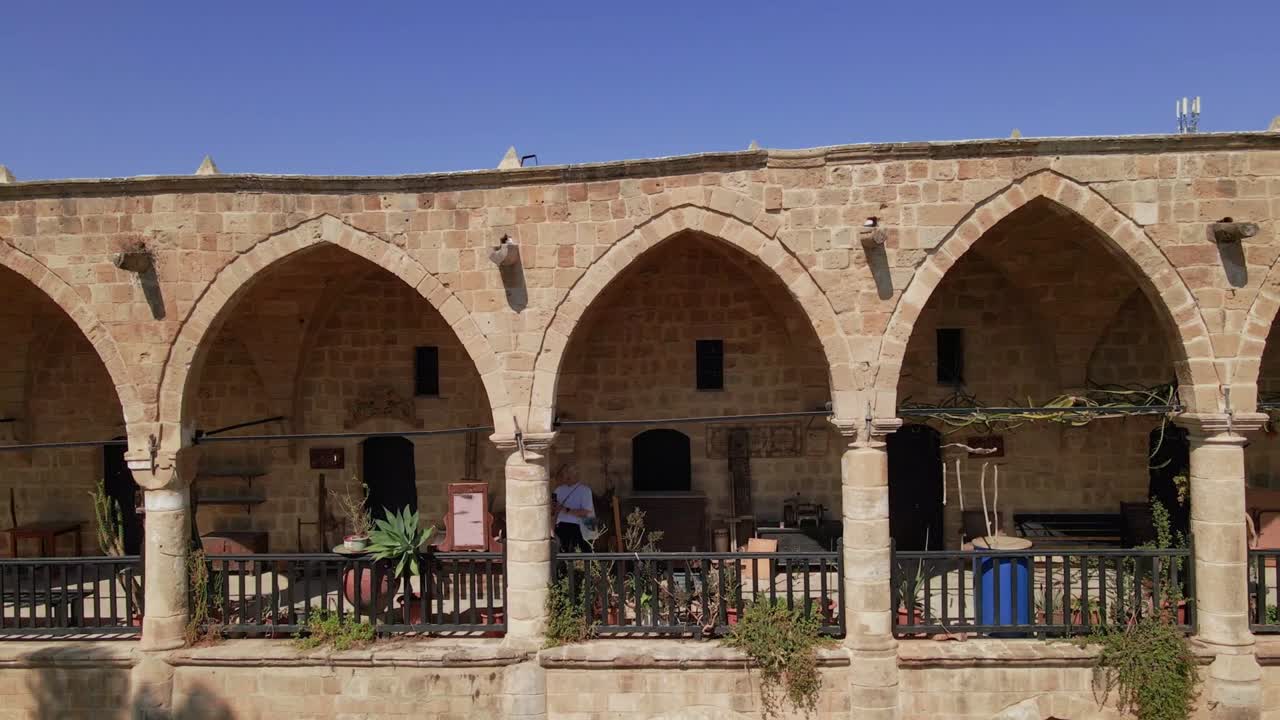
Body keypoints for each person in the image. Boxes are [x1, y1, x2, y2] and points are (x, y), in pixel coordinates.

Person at [552, 465, 596, 554]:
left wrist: (566, 510)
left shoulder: (585, 490)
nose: (564, 476)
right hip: (560, 527)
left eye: (566, 473)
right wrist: (552, 530)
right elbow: (553, 511)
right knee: (561, 555)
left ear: (574, 474)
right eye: (563, 473)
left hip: (579, 528)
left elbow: (586, 512)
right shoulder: (558, 490)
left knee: (579, 555)